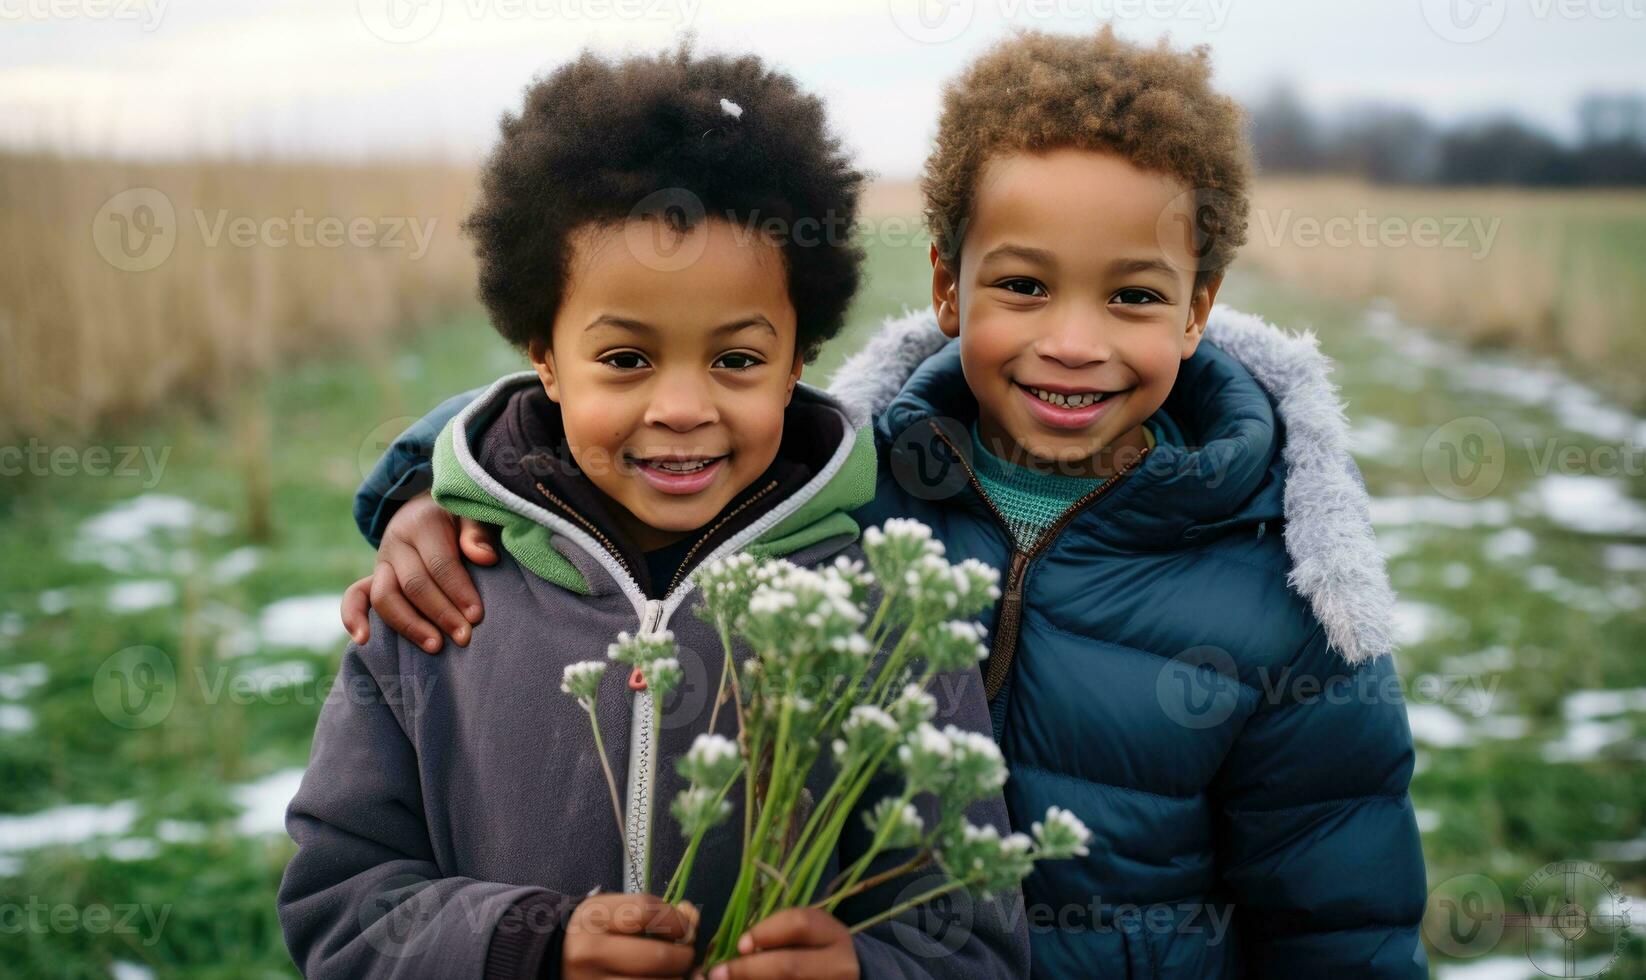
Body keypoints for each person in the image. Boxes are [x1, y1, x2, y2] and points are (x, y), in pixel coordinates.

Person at [347, 28, 1429, 978]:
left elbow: (1342, 921)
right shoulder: (842, 489)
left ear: (1198, 309)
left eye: (1133, 295)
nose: (1071, 340)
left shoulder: (1287, 589)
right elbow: (626, 396)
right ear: (946, 286)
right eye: (1022, 285)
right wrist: (429, 490)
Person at [278, 44, 1028, 980]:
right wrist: (526, 946)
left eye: (738, 361)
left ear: (800, 357)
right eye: (626, 359)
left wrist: (863, 971)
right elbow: (338, 906)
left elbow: (978, 941)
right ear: (542, 355)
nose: (682, 407)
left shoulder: (885, 611)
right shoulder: (436, 600)